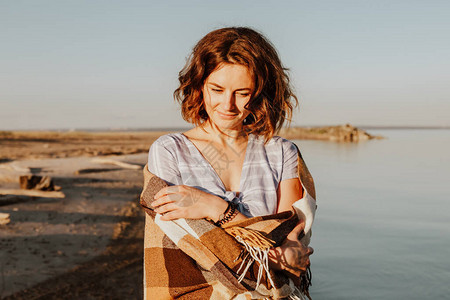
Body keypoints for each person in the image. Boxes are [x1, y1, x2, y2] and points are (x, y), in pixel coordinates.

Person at [145, 27, 316, 299]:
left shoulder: (282, 153)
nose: (228, 105)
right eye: (217, 89)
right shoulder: (170, 151)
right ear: (199, 84)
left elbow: (288, 241)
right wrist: (270, 258)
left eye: (242, 92)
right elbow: (183, 246)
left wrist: (216, 209)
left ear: (261, 92)